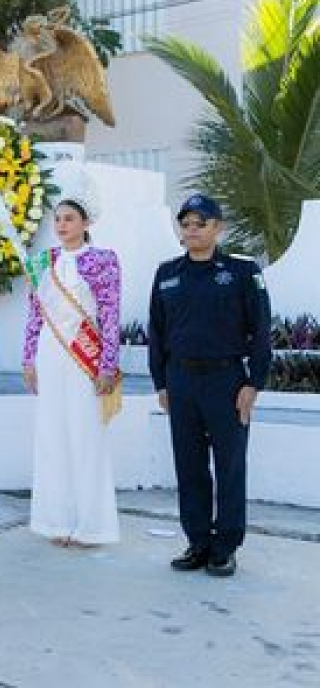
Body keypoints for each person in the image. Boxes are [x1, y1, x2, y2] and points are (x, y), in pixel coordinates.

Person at [149, 193, 271, 578]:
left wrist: (254, 383)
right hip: (181, 381)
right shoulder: (167, 273)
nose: (191, 231)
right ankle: (198, 542)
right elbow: (157, 332)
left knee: (230, 465)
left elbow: (261, 331)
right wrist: (161, 383)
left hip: (226, 381)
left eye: (200, 224)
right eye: (185, 224)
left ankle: (225, 547)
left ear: (218, 228)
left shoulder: (241, 271)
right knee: (189, 465)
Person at [22, 189, 123, 548]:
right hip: (50, 354)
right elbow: (35, 315)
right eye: (58, 219)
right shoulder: (42, 262)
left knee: (85, 436)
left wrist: (107, 364)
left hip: (85, 358)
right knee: (51, 437)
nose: (62, 225)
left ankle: (92, 526)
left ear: (86, 223)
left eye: (70, 218)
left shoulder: (103, 260)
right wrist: (28, 358)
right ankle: (56, 521)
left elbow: (110, 316)